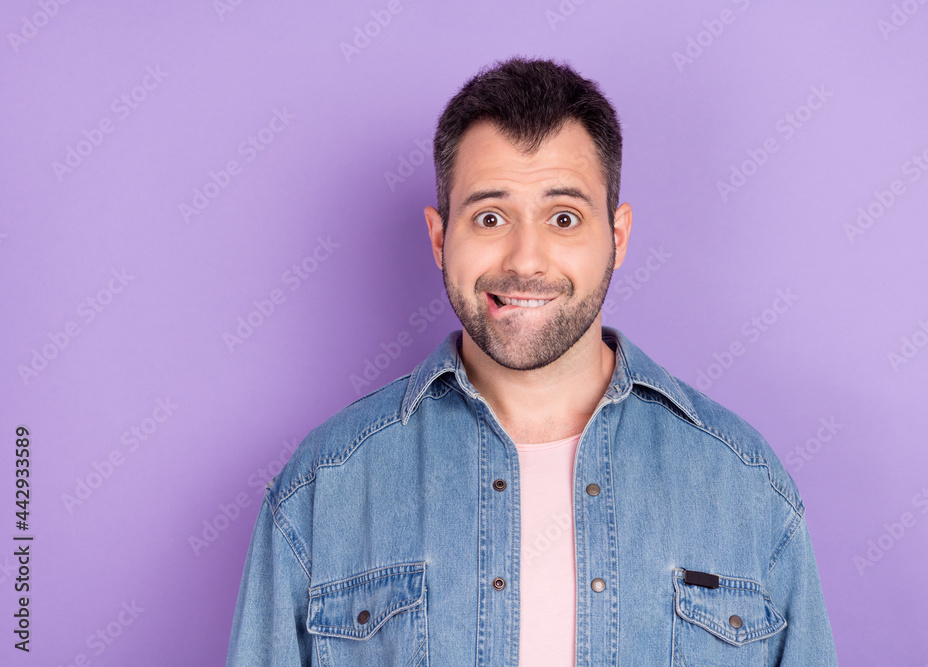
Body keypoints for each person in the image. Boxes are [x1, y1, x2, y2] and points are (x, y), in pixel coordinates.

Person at [225, 55, 838, 666]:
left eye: (563, 217)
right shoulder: (323, 487)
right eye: (490, 217)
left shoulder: (745, 485)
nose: (525, 260)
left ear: (617, 237)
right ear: (440, 238)